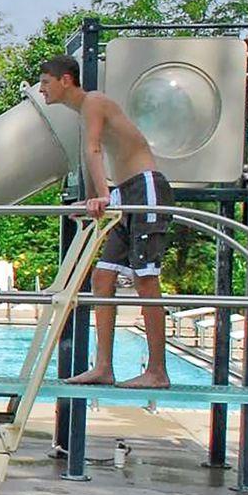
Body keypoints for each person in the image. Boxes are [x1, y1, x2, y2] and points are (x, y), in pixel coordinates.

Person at [38, 54, 174, 389]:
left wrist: (102, 195)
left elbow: (95, 150)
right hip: (126, 194)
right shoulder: (84, 111)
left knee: (145, 279)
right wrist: (100, 198)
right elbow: (93, 154)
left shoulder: (94, 102)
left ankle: (157, 371)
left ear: (65, 80)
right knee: (101, 278)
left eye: (45, 83)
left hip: (145, 188)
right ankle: (104, 366)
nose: (41, 91)